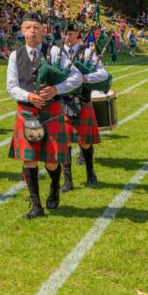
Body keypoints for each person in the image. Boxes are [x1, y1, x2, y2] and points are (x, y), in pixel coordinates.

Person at [6, 12, 82, 218]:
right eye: (28, 28)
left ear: (43, 30)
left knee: (51, 161)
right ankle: (36, 205)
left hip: (51, 111)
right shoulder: (15, 55)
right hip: (27, 111)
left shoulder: (55, 51)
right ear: (22, 31)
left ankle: (55, 187)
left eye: (36, 28)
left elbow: (76, 77)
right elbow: (11, 86)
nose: (32, 32)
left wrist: (57, 89)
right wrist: (28, 96)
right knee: (29, 160)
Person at [59, 23, 107, 192]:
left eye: (70, 33)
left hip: (82, 100)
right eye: (65, 34)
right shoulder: (58, 52)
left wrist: (86, 78)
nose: (67, 37)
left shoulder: (87, 52)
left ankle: (91, 173)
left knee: (85, 142)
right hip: (63, 101)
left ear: (78, 33)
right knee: (64, 143)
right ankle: (67, 181)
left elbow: (103, 74)